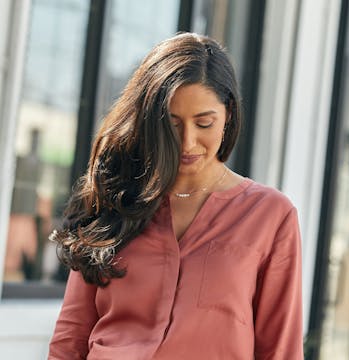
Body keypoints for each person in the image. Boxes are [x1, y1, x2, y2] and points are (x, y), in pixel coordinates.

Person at [48, 32, 303, 359]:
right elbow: (72, 335)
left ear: (227, 114)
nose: (187, 143)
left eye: (204, 123)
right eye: (172, 124)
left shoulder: (270, 216)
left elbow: (280, 350)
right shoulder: (115, 199)